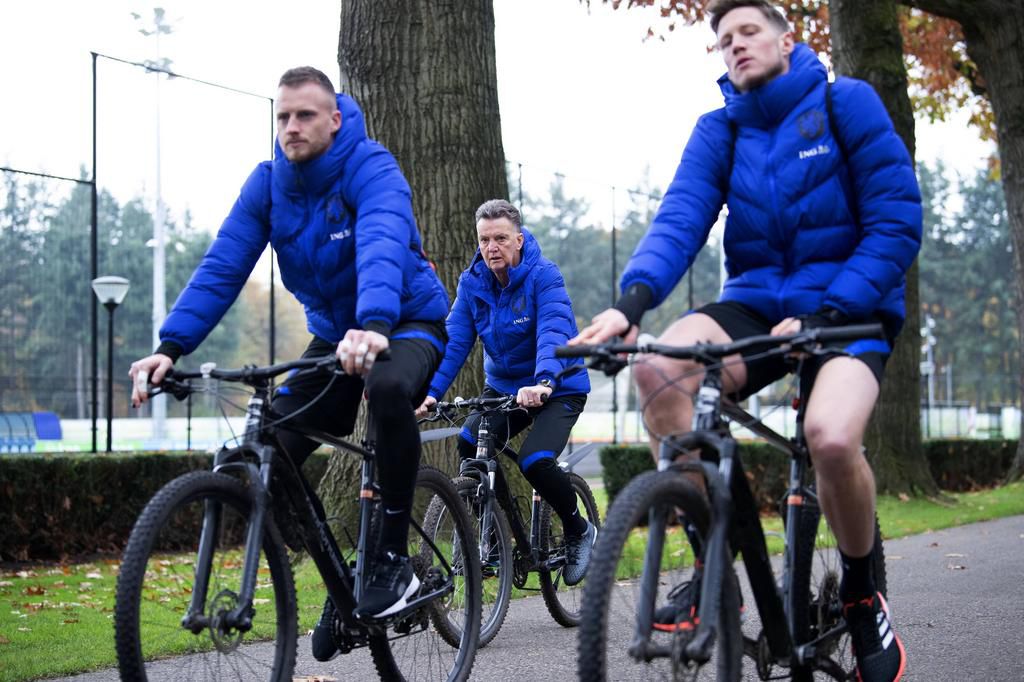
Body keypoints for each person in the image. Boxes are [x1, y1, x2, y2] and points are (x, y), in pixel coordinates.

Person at [571, 2, 918, 680]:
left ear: (790, 41)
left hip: (851, 307)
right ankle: (712, 566)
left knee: (831, 437)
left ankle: (860, 590)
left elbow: (896, 220)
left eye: (748, 31)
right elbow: (679, 219)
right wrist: (629, 306)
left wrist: (831, 308)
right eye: (723, 40)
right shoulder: (720, 129)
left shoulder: (846, 102)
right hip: (758, 303)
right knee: (660, 370)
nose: (734, 46)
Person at [128, 66, 451, 662]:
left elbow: (381, 240)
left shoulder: (372, 167)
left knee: (384, 390)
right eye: (281, 117)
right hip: (334, 337)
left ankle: (389, 558)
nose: (291, 127)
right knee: (271, 445)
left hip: (405, 323)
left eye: (304, 115)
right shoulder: (268, 185)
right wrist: (170, 346)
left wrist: (375, 325)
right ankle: (343, 576)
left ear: (334, 119)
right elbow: (224, 264)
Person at [416, 199, 596, 585]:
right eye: (484, 239)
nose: (491, 247)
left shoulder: (544, 276)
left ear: (518, 239)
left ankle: (578, 528)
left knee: (535, 460)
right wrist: (428, 393)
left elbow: (553, 331)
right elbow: (453, 344)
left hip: (558, 385)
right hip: (503, 390)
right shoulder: (472, 284)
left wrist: (544, 381)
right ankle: (492, 536)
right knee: (469, 447)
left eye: (500, 238)